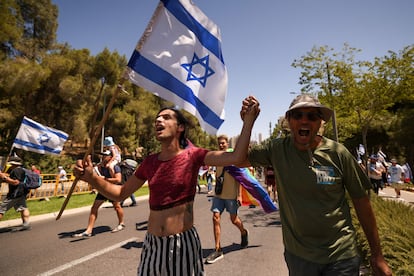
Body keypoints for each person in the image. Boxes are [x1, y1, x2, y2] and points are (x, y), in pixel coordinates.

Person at [73, 96, 260, 275]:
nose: (158, 120)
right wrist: (91, 178)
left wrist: (248, 121)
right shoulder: (149, 162)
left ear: (180, 127)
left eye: (166, 117)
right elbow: (120, 193)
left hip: (183, 245)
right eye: (157, 118)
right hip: (152, 246)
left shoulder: (194, 155)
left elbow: (236, 157)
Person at [240, 94, 391, 276]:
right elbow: (240, 159)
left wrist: (377, 256)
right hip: (299, 258)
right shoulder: (276, 149)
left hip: (341, 255)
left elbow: (362, 203)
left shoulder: (338, 153)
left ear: (320, 122)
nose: (304, 120)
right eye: (298, 115)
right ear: (288, 120)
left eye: (312, 116)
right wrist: (248, 123)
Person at [205, 135, 249, 264]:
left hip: (231, 196)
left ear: (227, 144)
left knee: (234, 220)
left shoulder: (233, 158)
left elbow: (241, 178)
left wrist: (239, 195)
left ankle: (243, 232)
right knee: (215, 217)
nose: (221, 145)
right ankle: (218, 249)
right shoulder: (217, 158)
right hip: (219, 195)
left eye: (223, 143)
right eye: (219, 144)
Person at [72, 151, 125, 237]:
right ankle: (89, 230)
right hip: (103, 190)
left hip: (112, 189)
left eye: (105, 156)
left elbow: (118, 180)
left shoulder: (115, 166)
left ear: (111, 157)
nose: (103, 157)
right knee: (94, 208)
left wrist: (105, 179)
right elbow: (92, 174)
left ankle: (121, 223)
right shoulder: (100, 166)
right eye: (102, 155)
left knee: (117, 206)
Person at [0, 156, 31, 230]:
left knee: (1, 209)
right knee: (23, 208)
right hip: (22, 193)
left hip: (14, 194)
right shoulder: (23, 170)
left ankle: (26, 224)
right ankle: (26, 223)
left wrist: (5, 178)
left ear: (13, 164)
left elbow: (15, 182)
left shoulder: (15, 171)